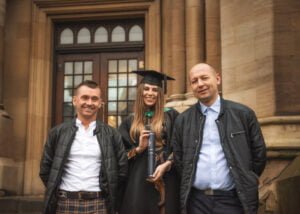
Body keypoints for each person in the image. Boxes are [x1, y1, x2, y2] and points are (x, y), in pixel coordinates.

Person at [172, 63, 267, 214]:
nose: (200, 84)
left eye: (204, 78)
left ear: (217, 79)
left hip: (233, 200)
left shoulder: (243, 114)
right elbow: (179, 158)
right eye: (194, 81)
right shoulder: (183, 120)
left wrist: (247, 178)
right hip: (196, 201)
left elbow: (259, 154)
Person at [39, 80, 128, 214]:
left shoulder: (112, 134)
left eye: (94, 99)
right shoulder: (57, 132)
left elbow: (122, 171)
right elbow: (45, 169)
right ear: (75, 100)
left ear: (100, 103)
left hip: (99, 203)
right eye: (85, 97)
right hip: (65, 202)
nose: (89, 103)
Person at [118, 70, 180, 214]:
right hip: (139, 179)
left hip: (167, 175)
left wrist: (168, 163)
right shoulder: (130, 121)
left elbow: (181, 146)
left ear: (160, 93)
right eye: (146, 89)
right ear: (140, 92)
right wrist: (139, 148)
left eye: (154, 89)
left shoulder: (171, 115)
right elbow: (120, 155)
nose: (150, 93)